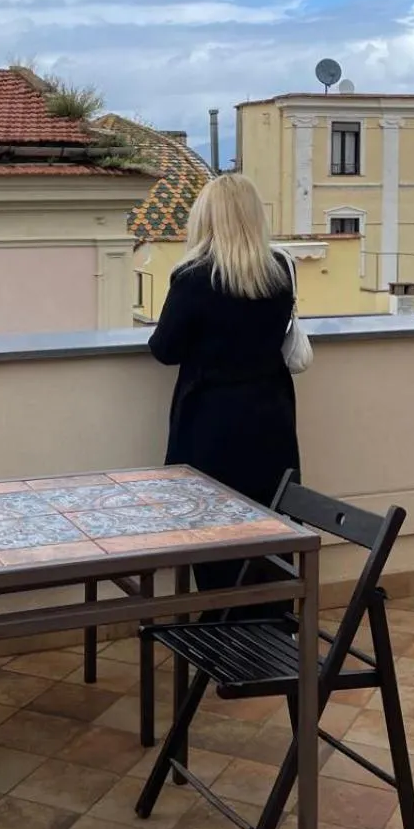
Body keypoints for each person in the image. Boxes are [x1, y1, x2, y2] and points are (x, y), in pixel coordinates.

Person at [148, 171, 300, 612]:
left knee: (211, 527)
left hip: (211, 421)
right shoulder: (281, 272)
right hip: (271, 416)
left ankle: (224, 629)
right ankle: (271, 624)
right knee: (270, 522)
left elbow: (165, 349)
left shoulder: (193, 278)